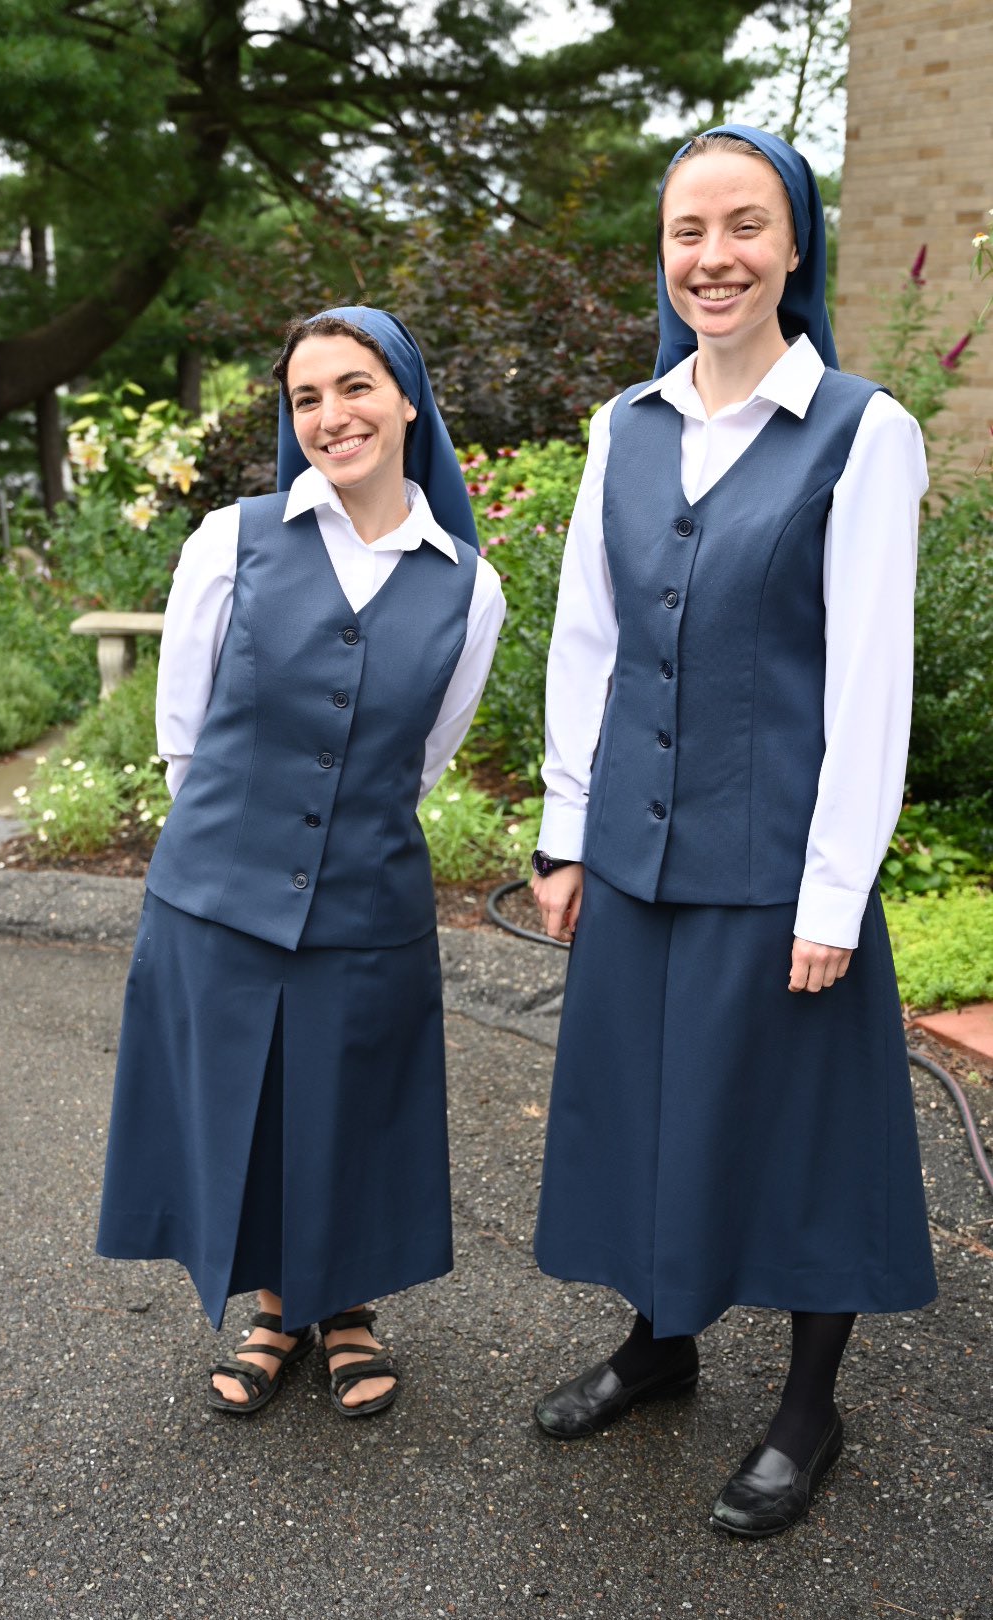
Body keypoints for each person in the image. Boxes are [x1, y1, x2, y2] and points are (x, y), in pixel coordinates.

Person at [528, 126, 936, 1536]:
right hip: (635, 852)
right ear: (665, 252)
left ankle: (810, 1410)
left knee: (804, 1135)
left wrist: (836, 893)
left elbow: (871, 681)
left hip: (777, 867)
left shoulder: (865, 432)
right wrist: (562, 832)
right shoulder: (621, 429)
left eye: (745, 227)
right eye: (689, 231)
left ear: (796, 245)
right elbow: (588, 644)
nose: (715, 258)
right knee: (648, 1107)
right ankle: (662, 1344)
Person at [97, 306, 505, 1418]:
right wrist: (247, 857)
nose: (333, 416)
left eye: (356, 387)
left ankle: (352, 1306)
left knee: (354, 1097)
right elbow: (185, 732)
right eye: (308, 397)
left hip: (368, 890)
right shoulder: (230, 542)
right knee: (260, 1101)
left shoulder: (470, 585)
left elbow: (424, 753)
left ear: (408, 397)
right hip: (221, 889)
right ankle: (278, 1307)